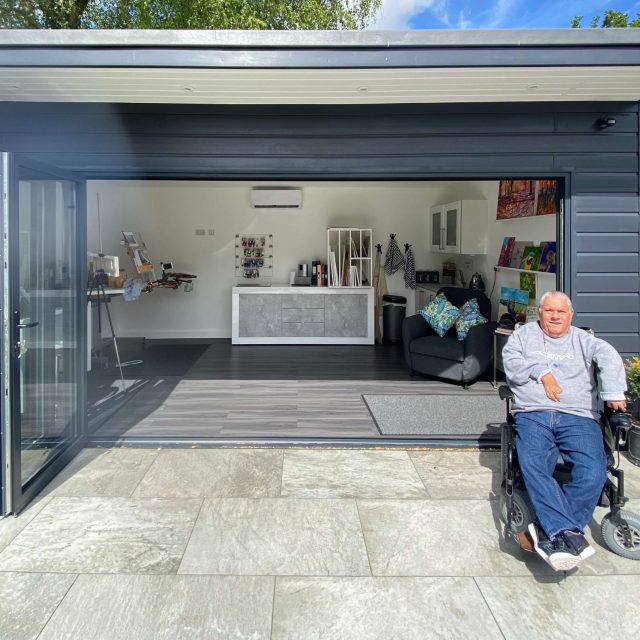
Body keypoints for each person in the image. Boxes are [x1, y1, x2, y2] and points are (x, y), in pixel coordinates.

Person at [502, 291, 627, 571]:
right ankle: (567, 533)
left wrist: (613, 391)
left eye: (561, 312)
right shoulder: (523, 337)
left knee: (594, 471)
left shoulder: (586, 341)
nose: (555, 316)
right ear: (540, 313)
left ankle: (550, 532)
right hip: (533, 413)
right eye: (549, 311)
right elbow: (510, 363)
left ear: (571, 315)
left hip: (578, 415)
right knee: (533, 464)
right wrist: (542, 373)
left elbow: (608, 356)